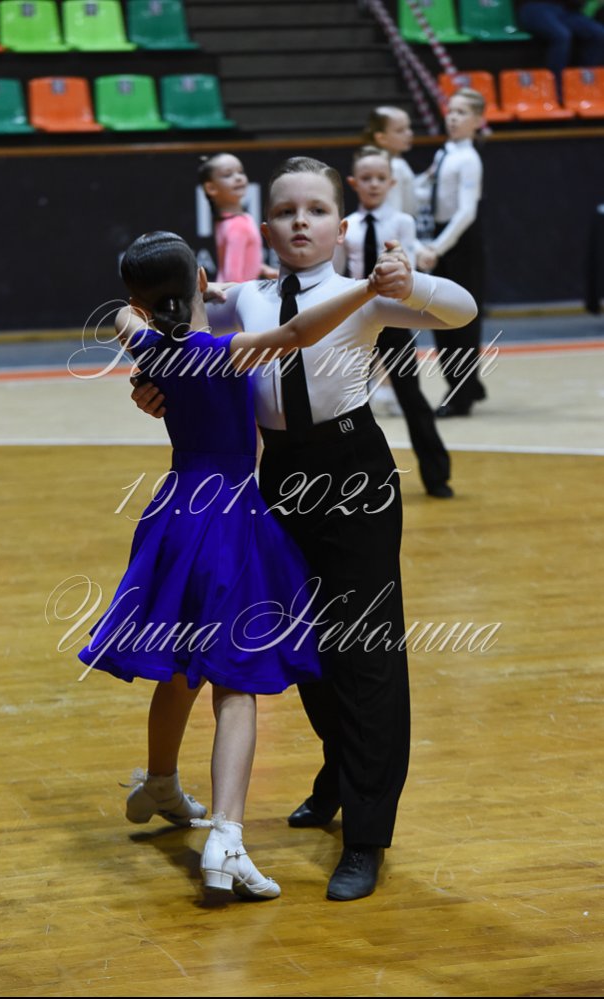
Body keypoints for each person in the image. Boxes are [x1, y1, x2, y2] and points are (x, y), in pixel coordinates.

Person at [129, 158, 477, 902]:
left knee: (366, 648)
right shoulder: (242, 298)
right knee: (305, 643)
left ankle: (368, 833)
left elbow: (462, 310)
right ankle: (337, 776)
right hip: (279, 477)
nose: (299, 222)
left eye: (316, 210)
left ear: (339, 226)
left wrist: (411, 281)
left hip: (353, 473)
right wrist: (150, 386)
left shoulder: (365, 295)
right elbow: (176, 339)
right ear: (266, 224)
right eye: (287, 211)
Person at [78, 230, 394, 901]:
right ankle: (227, 836)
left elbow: (124, 316)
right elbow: (301, 332)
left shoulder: (148, 343)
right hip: (228, 518)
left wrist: (149, 324)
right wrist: (366, 289)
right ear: (200, 279)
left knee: (180, 666)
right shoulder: (225, 352)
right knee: (236, 679)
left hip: (174, 515)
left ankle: (161, 782)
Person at [336, 145, 453, 498]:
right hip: (357, 320)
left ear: (392, 182)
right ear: (354, 183)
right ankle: (345, 478)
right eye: (366, 178)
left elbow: (409, 268)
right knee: (346, 400)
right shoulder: (348, 226)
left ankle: (437, 475)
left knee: (411, 397)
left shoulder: (402, 222)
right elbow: (338, 275)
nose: (373, 184)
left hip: (393, 319)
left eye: (380, 178)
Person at [416, 89, 487, 418]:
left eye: (462, 112)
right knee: (442, 315)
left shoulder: (469, 159)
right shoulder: (445, 152)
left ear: (477, 121)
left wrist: (437, 248)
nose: (453, 117)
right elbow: (423, 189)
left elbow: (466, 212)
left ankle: (461, 394)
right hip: (443, 237)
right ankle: (469, 384)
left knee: (460, 320)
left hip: (460, 242)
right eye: (451, 111)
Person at [197, 152, 277, 282]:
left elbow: (243, 259)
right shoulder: (237, 225)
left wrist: (264, 269)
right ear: (211, 188)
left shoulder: (228, 220)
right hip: (235, 293)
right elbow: (231, 278)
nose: (238, 178)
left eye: (240, 172)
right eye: (228, 175)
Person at [516, 0, 604, 93]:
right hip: (535, 6)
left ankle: (584, 84)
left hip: (566, 10)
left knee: (599, 34)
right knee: (561, 36)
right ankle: (554, 89)